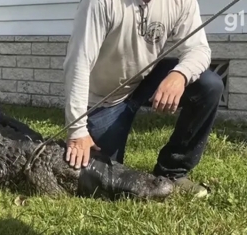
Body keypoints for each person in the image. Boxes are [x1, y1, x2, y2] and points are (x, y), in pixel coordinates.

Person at [64, 0, 223, 198]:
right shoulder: (98, 3)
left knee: (209, 86)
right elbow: (78, 63)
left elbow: (199, 49)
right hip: (103, 99)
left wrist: (180, 75)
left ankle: (172, 172)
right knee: (101, 179)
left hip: (144, 80)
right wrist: (77, 130)